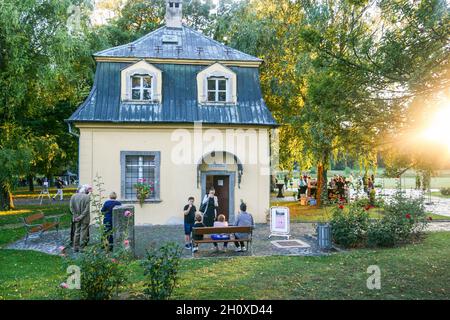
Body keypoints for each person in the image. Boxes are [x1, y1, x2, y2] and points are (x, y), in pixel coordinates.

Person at [70, 185, 92, 252]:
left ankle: (75, 247)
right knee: (83, 232)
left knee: (77, 232)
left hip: (76, 218)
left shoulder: (73, 196)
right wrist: (80, 217)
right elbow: (86, 209)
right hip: (84, 218)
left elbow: (71, 207)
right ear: (85, 191)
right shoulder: (87, 197)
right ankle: (82, 248)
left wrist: (76, 216)